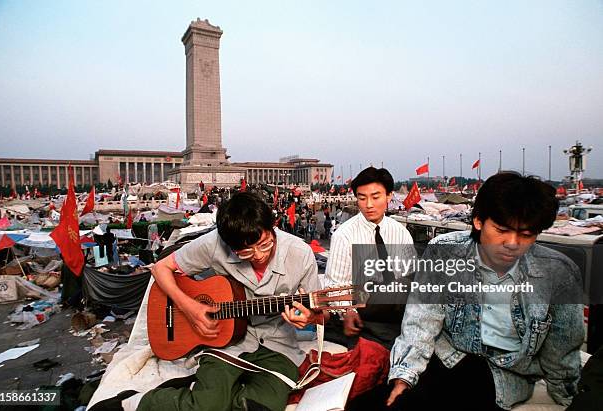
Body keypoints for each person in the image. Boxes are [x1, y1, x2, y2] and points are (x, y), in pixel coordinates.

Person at [370, 172, 583, 411]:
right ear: (479, 221)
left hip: (505, 374)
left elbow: (562, 351)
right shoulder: (444, 251)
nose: (512, 243)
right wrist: (404, 376)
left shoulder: (559, 273)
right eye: (501, 230)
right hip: (447, 354)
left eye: (526, 235)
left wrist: (566, 397)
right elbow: (422, 320)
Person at [137, 192, 325, 411]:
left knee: (263, 406)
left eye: (265, 244)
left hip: (278, 346)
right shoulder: (214, 243)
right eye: (245, 252)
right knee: (206, 406)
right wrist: (189, 308)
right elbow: (161, 269)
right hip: (226, 343)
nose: (258, 255)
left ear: (272, 227)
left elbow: (321, 311)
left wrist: (312, 317)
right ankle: (145, 402)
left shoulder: (300, 254)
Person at [323, 167, 414, 350]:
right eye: (362, 198)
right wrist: (348, 311)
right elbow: (334, 285)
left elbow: (410, 278)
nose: (368, 205)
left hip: (398, 314)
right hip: (362, 314)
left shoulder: (401, 233)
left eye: (375, 197)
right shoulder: (344, 235)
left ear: (389, 196)